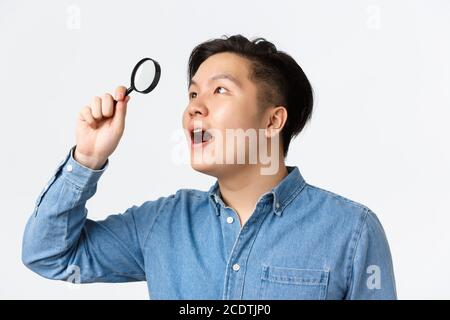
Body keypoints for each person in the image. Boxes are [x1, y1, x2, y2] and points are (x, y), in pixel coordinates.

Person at [22, 35, 396, 299]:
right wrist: (86, 159)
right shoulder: (160, 224)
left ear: (272, 121)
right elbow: (50, 255)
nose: (194, 108)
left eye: (219, 91)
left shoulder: (352, 231)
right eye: (192, 94)